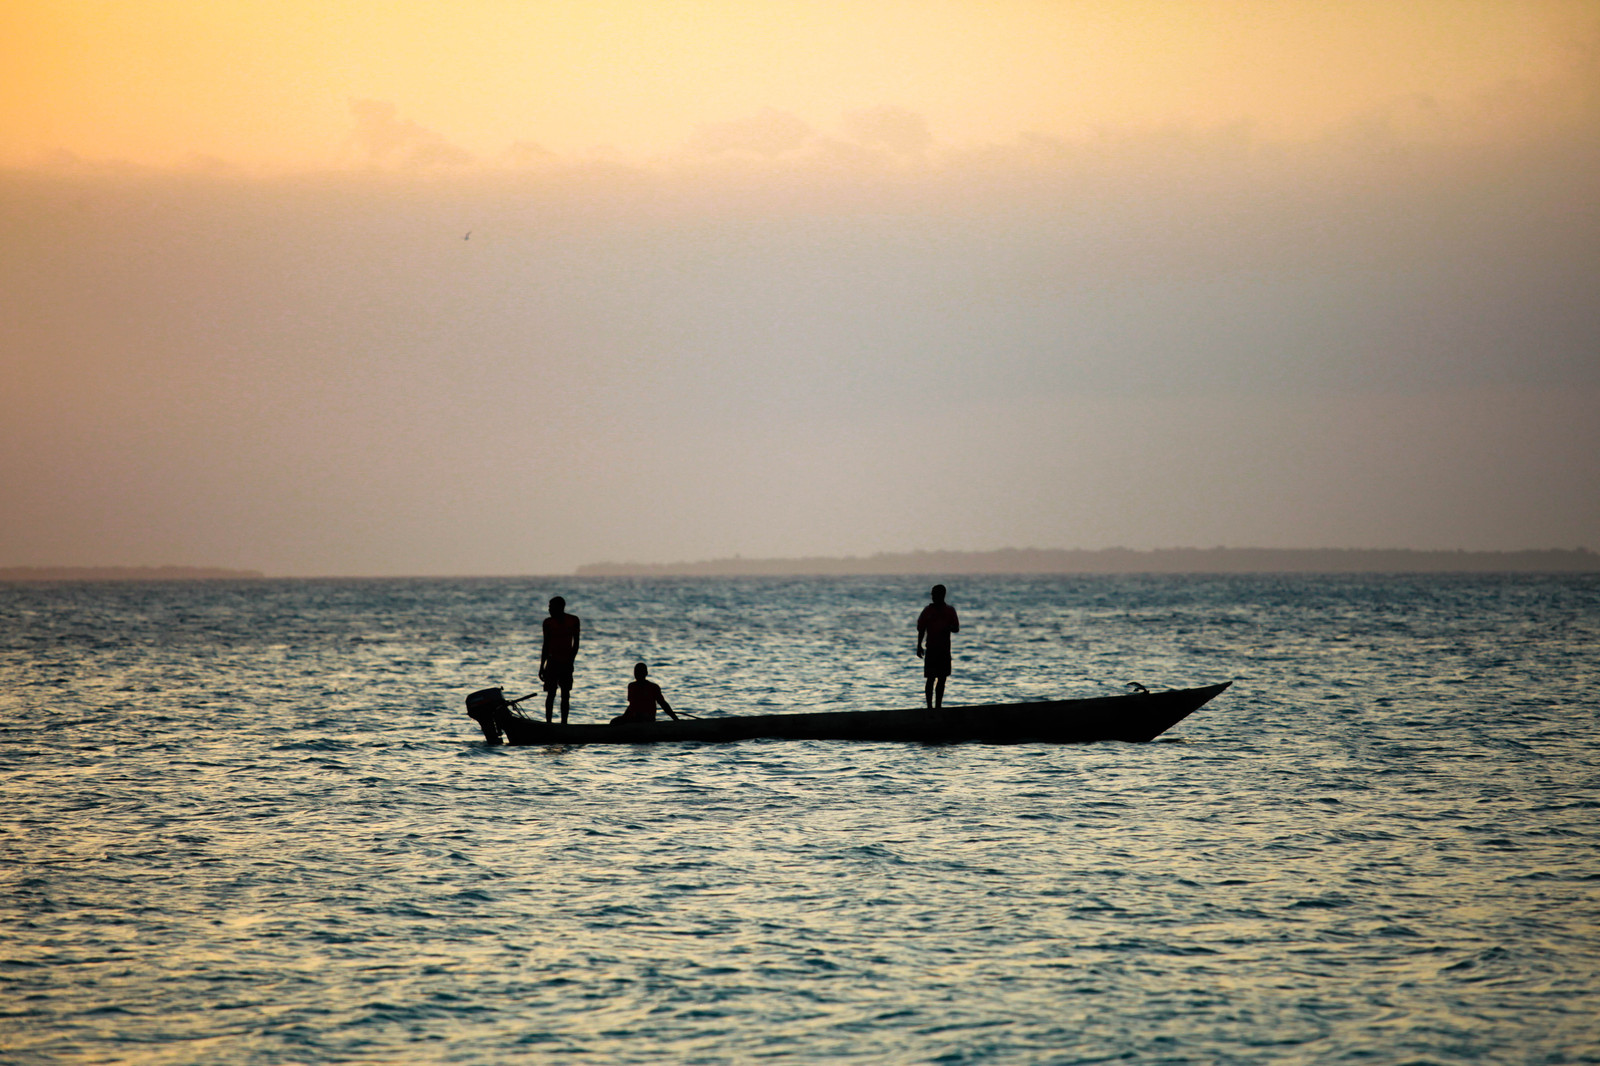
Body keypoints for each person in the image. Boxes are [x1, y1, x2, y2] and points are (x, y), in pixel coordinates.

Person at [916, 584, 960, 709]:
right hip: (931, 649)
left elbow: (956, 628)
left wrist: (949, 627)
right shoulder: (927, 611)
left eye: (935, 594)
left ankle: (938, 706)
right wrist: (919, 646)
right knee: (930, 679)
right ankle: (929, 706)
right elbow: (921, 629)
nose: (933, 597)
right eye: (932, 594)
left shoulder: (950, 610)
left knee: (942, 679)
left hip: (944, 650)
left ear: (942, 595)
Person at [539, 596, 581, 724]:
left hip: (566, 663)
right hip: (552, 662)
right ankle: (549, 723)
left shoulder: (573, 620)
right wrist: (542, 666)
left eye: (551, 607)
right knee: (551, 694)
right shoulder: (548, 623)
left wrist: (571, 661)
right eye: (549, 607)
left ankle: (564, 723)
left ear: (560, 607)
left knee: (565, 694)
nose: (549, 609)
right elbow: (545, 645)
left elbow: (576, 644)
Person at [611, 662, 679, 725]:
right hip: (633, 718)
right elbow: (631, 705)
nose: (637, 674)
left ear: (646, 673)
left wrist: (675, 718)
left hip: (647, 718)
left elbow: (663, 703)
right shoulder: (632, 686)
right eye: (636, 672)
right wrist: (624, 717)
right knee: (614, 721)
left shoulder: (653, 687)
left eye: (640, 672)